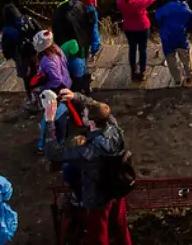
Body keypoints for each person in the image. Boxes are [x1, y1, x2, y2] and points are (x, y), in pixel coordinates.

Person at [42, 90, 133, 245]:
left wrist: (50, 121)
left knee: (98, 235)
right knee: (121, 227)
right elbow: (97, 107)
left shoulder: (89, 151)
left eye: (83, 114)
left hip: (98, 198)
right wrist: (76, 97)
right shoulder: (114, 128)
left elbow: (54, 153)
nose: (82, 114)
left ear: (91, 122)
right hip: (117, 189)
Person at [116, 0, 156, 82]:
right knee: (142, 50)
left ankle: (134, 71)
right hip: (142, 27)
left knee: (132, 49)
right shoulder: (140, 2)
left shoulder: (120, 1)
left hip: (129, 28)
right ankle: (142, 72)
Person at [155, 0, 192, 85]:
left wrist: (162, 25)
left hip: (167, 37)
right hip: (181, 38)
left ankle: (177, 79)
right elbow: (189, 26)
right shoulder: (188, 11)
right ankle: (190, 74)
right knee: (186, 58)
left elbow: (157, 15)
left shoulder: (168, 5)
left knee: (171, 60)